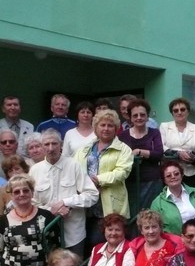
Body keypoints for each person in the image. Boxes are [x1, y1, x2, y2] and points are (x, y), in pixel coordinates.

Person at [30, 129, 99, 257]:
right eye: (46, 144)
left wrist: (66, 202)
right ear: (42, 146)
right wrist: (52, 210)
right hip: (47, 233)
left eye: (54, 143)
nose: (51, 148)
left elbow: (92, 195)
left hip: (73, 233)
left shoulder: (74, 165)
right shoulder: (35, 170)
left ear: (61, 145)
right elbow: (32, 203)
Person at [75, 110, 133, 252]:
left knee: (100, 242)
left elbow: (122, 172)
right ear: (96, 127)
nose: (106, 129)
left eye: (110, 125)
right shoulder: (85, 149)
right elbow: (74, 169)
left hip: (109, 204)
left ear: (116, 129)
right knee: (85, 243)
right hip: (86, 204)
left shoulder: (123, 149)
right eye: (102, 125)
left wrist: (98, 180)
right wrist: (84, 183)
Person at [117, 98, 163, 214]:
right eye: (135, 115)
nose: (139, 118)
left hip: (152, 181)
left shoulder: (154, 132)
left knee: (151, 215)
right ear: (130, 117)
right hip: (130, 182)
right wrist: (148, 153)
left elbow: (159, 153)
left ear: (147, 117)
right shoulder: (122, 136)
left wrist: (139, 151)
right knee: (132, 215)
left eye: (142, 115)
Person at [160, 97, 195, 189]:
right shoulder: (164, 127)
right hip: (170, 172)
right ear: (172, 113)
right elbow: (162, 147)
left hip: (191, 172)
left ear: (188, 111)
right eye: (175, 110)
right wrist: (178, 154)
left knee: (190, 196)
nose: (179, 112)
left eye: (182, 109)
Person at [150, 161, 195, 235]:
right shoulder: (157, 203)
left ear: (182, 175)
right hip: (172, 240)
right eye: (168, 176)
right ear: (164, 180)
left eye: (176, 174)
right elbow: (155, 228)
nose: (173, 177)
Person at [0, 155, 30, 224]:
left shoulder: (32, 186)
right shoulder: (3, 191)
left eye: (17, 169)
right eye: (10, 171)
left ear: (24, 169)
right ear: (7, 175)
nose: (14, 173)